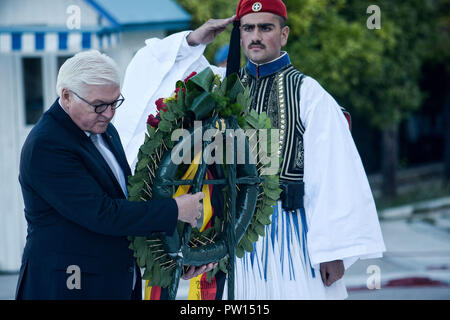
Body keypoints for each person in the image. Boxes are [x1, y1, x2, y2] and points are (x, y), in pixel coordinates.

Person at [114, 0, 385, 299]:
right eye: (248, 28)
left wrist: (334, 249)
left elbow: (334, 171)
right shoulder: (219, 87)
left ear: (283, 35)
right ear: (239, 35)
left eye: (265, 28)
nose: (256, 36)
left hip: (290, 236)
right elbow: (155, 75)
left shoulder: (308, 93)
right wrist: (195, 39)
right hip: (227, 233)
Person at [15, 50, 213, 300]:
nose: (109, 113)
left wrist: (175, 255)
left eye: (115, 102)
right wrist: (175, 210)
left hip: (113, 282)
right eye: (99, 105)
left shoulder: (103, 129)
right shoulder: (47, 145)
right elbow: (104, 214)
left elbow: (128, 205)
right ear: (66, 96)